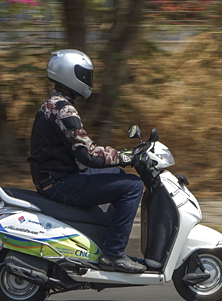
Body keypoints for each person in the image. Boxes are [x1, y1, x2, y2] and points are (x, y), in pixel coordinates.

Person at [28, 49, 146, 273]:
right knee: (133, 186)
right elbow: (88, 154)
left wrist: (121, 160)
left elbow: (82, 150)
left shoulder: (53, 104)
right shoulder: (63, 109)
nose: (87, 79)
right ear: (70, 74)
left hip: (56, 177)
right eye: (84, 74)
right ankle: (113, 254)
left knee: (119, 177)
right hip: (61, 182)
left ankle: (104, 241)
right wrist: (127, 156)